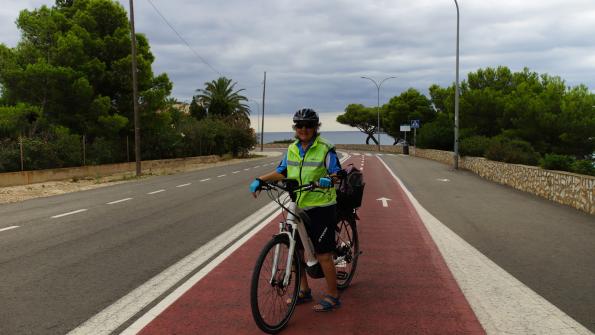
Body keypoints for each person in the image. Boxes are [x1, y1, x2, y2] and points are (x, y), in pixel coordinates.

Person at [250, 108, 342, 312]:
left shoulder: (325, 148)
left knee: (324, 254)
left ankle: (333, 295)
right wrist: (260, 180)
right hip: (298, 203)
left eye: (308, 125)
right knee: (295, 250)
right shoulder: (292, 148)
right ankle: (304, 290)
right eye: (299, 125)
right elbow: (281, 171)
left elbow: (337, 173)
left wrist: (329, 180)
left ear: (316, 127)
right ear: (295, 128)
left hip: (321, 205)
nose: (304, 129)